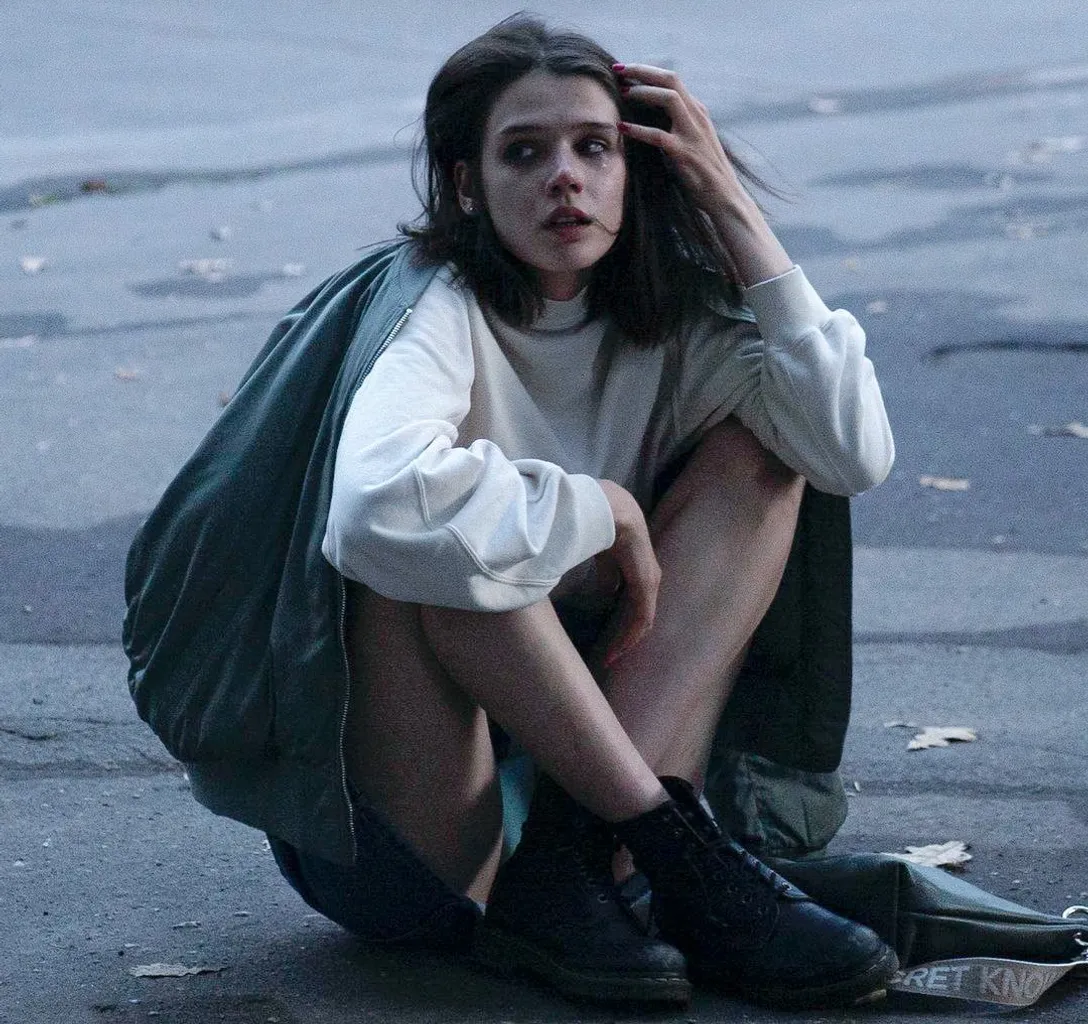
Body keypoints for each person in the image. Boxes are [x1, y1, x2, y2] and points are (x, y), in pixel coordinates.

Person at [126, 12, 897, 1011]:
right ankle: (681, 858)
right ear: (466, 185)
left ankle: (582, 854)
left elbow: (847, 450)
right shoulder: (435, 309)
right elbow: (374, 510)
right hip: (415, 852)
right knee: (447, 547)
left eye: (593, 147)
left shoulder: (680, 326)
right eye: (522, 153)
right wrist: (599, 509)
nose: (562, 177)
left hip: (584, 859)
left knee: (766, 459)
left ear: (640, 168)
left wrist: (732, 211)